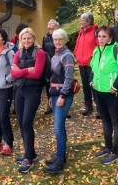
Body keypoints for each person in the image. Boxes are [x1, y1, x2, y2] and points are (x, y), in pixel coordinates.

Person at [10, 28, 45, 173]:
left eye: (29, 38)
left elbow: (37, 74)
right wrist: (26, 71)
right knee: (20, 122)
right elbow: (13, 73)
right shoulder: (18, 53)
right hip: (20, 90)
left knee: (26, 122)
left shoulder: (40, 53)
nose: (26, 41)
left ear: (34, 38)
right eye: (24, 39)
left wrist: (21, 72)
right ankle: (30, 153)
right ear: (20, 40)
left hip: (33, 91)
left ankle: (28, 159)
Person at [90, 26, 118, 165]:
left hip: (113, 93)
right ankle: (108, 146)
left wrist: (116, 86)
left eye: (104, 36)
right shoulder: (97, 49)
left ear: (110, 37)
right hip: (99, 91)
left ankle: (116, 151)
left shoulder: (117, 49)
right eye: (99, 36)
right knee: (105, 121)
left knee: (116, 122)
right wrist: (91, 81)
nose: (101, 39)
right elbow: (92, 68)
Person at [43, 29, 75, 174]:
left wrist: (62, 96)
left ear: (65, 40)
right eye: (55, 39)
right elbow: (52, 77)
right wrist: (51, 96)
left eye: (60, 39)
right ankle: (59, 156)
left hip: (64, 95)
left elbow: (68, 78)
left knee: (58, 128)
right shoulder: (56, 54)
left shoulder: (67, 55)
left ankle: (60, 160)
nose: (57, 42)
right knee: (59, 127)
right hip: (55, 93)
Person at [74, 12, 99, 117]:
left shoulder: (95, 32)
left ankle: (99, 107)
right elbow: (77, 45)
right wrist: (76, 54)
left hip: (91, 64)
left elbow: (98, 47)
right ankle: (88, 106)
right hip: (81, 63)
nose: (81, 22)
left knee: (94, 85)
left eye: (82, 20)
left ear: (88, 21)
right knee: (85, 85)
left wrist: (93, 59)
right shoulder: (81, 32)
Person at [42, 19, 60, 115]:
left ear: (56, 27)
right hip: (48, 64)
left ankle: (61, 105)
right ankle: (50, 105)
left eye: (51, 24)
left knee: (60, 83)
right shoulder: (45, 37)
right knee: (49, 84)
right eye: (48, 24)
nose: (49, 25)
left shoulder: (59, 37)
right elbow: (43, 51)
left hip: (58, 63)